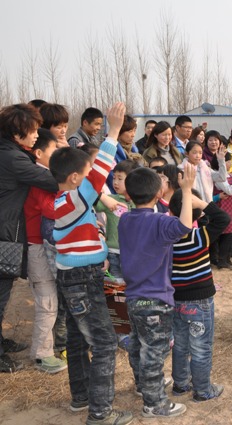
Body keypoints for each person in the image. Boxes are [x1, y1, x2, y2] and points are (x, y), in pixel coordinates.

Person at [50, 102, 134, 424]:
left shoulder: (63, 200)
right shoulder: (74, 198)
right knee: (104, 344)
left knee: (76, 338)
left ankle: (82, 397)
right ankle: (100, 413)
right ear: (75, 178)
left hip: (73, 276)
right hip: (82, 279)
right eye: (85, 176)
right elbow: (98, 175)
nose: (92, 181)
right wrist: (113, 132)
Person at [118, 165, 196, 418]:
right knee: (154, 351)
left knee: (137, 346)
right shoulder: (160, 222)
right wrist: (186, 190)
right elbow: (185, 225)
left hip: (133, 298)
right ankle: (155, 403)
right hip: (155, 300)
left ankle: (143, 385)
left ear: (128, 194)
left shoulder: (125, 220)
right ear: (159, 193)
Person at [0, 104, 59, 374]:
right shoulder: (13, 159)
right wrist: (70, 167)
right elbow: (53, 181)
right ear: (16, 133)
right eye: (32, 130)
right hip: (4, 234)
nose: (36, 135)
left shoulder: (11, 152)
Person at [169, 190, 228, 402]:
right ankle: (202, 390)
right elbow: (223, 218)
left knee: (180, 345)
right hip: (200, 302)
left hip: (176, 299)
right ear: (198, 215)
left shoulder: (167, 239)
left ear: (170, 211)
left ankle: (180, 384)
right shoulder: (199, 236)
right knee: (201, 346)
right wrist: (202, 203)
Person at [23, 129, 68, 374]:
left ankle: (47, 349)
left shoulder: (43, 174)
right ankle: (42, 354)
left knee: (50, 298)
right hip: (36, 245)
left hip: (42, 244)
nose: (57, 156)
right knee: (47, 300)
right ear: (39, 153)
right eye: (54, 151)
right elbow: (50, 209)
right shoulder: (40, 178)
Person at [95, 159, 139, 280]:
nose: (115, 182)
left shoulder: (141, 202)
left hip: (133, 254)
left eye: (120, 179)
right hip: (112, 252)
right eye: (114, 178)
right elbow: (90, 203)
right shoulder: (110, 199)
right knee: (115, 285)